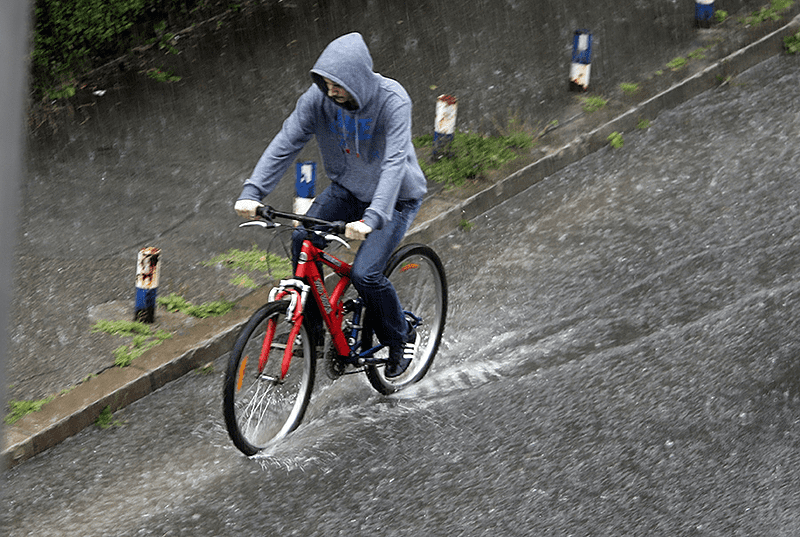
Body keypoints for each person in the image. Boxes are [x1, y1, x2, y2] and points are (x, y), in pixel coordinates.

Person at [234, 32, 427, 378]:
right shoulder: (318, 100)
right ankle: (313, 332)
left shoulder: (393, 100)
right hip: (349, 189)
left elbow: (395, 162)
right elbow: (287, 141)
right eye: (324, 84)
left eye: (337, 85)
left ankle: (400, 336)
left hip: (394, 199)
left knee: (366, 274)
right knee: (302, 239)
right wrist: (252, 192)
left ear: (357, 78)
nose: (331, 92)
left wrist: (373, 217)